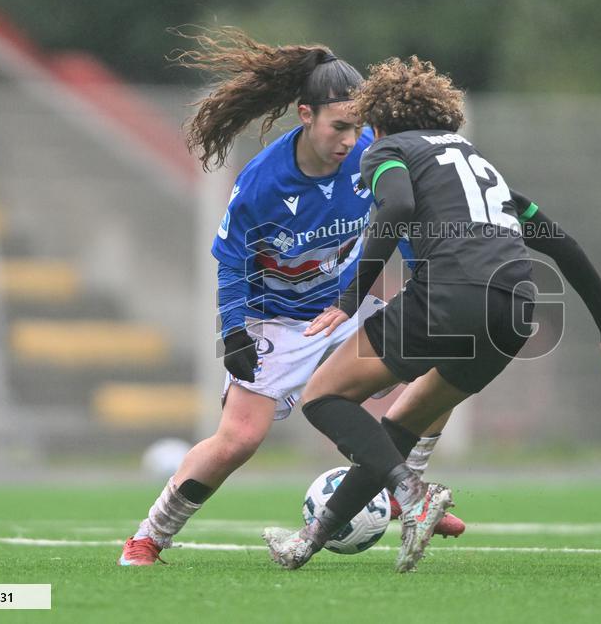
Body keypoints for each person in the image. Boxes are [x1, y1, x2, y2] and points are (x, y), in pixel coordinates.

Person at [264, 56, 601, 572]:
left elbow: (396, 206)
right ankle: (308, 542)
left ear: (377, 121)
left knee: (323, 396)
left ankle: (412, 494)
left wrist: (349, 299)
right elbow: (561, 243)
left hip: (453, 294)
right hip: (516, 309)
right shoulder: (473, 160)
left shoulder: (388, 150)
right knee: (398, 427)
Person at [118, 30, 463, 567]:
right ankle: (148, 537)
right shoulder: (262, 183)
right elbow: (232, 260)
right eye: (339, 127)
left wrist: (421, 281)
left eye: (359, 127)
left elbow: (405, 221)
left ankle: (406, 493)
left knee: (441, 368)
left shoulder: (372, 157)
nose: (351, 140)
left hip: (342, 310)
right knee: (238, 440)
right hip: (274, 322)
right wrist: (233, 330)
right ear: (306, 114)